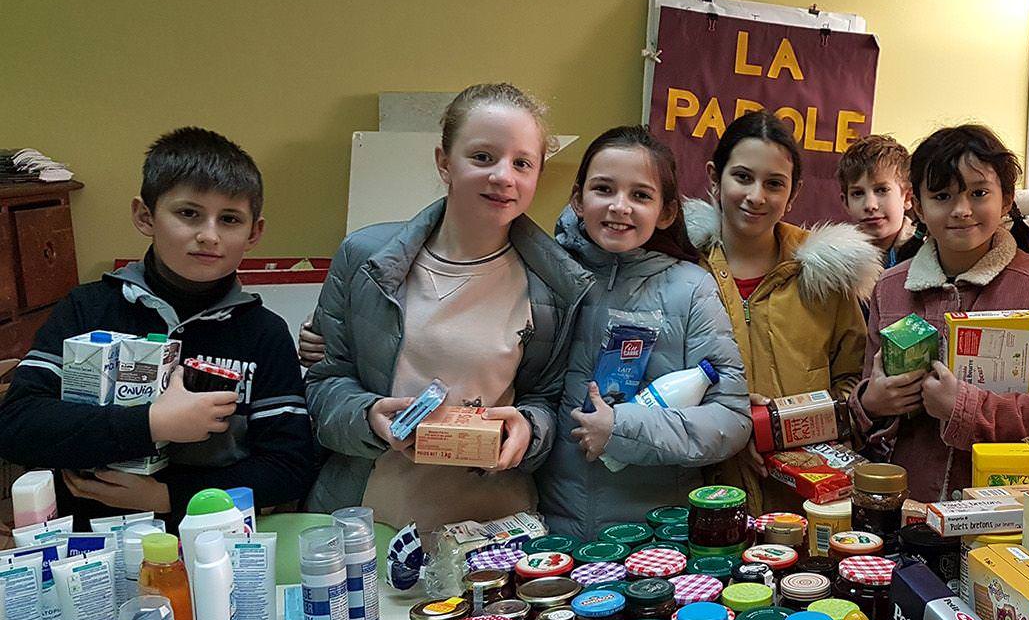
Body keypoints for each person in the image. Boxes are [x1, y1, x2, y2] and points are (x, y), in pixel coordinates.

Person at [302, 82, 590, 528]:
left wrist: (529, 429)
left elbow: (548, 398)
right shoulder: (364, 258)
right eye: (482, 157)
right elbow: (324, 384)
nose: (503, 176)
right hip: (369, 520)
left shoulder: (556, 285)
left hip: (491, 528)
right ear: (444, 162)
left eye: (522, 163)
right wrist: (369, 417)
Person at [0, 127, 316, 524]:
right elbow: (16, 427)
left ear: (254, 233)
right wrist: (152, 424)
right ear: (145, 215)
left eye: (230, 219)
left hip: (211, 542)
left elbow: (289, 469)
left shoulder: (263, 333)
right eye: (188, 213)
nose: (208, 235)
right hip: (88, 545)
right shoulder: (87, 308)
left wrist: (170, 496)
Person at [852, 125, 1029, 501]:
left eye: (979, 193)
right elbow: (866, 395)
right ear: (917, 206)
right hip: (908, 505)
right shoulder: (889, 288)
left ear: (1006, 200)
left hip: (1007, 510)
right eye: (942, 195)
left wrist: (965, 408)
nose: (962, 210)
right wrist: (872, 402)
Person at [539, 126, 751, 538]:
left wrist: (621, 429)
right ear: (577, 199)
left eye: (640, 195)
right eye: (603, 189)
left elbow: (731, 419)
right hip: (551, 529)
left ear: (667, 212)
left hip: (655, 536)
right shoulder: (545, 276)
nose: (620, 207)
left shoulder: (692, 289)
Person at [689, 110, 881, 513]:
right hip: (704, 495)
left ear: (793, 194)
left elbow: (853, 380)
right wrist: (728, 433)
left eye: (774, 184)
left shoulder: (826, 274)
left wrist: (794, 436)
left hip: (807, 499)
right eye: (742, 177)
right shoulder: (682, 270)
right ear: (713, 177)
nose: (756, 196)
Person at [837, 134, 924, 268]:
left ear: (907, 197)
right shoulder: (836, 260)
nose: (870, 205)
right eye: (857, 193)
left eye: (882, 190)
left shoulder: (929, 254)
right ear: (845, 202)